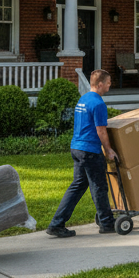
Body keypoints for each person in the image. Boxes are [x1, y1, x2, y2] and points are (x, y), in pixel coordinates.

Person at [47, 69, 118, 238]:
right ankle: (107, 223)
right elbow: (101, 131)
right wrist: (109, 150)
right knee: (99, 186)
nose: (110, 85)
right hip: (90, 151)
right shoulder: (98, 103)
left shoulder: (83, 99)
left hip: (77, 148)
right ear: (100, 84)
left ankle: (56, 224)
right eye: (108, 83)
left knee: (78, 186)